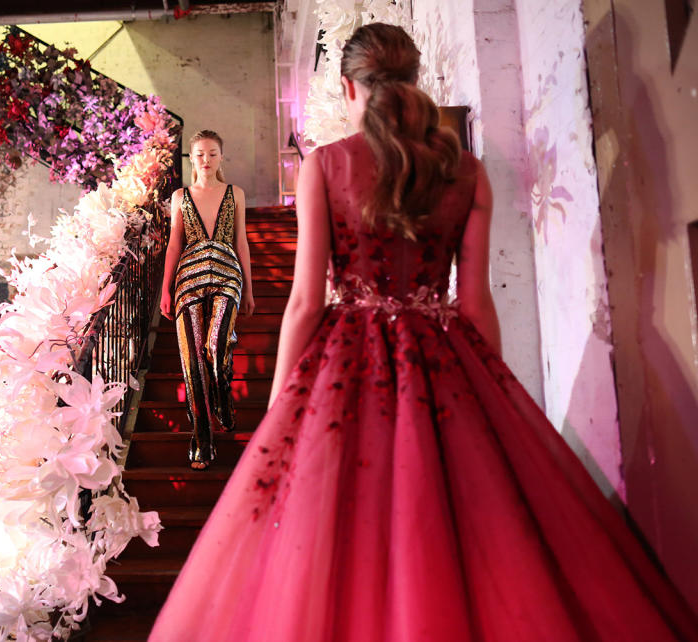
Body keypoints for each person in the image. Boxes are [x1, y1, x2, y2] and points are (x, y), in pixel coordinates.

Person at [149, 24, 698, 642]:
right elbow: (478, 305)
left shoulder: (326, 165)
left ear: (348, 89)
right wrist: (494, 396)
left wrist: (280, 403)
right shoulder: (464, 170)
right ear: (414, 82)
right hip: (444, 358)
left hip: (343, 366)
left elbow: (304, 301)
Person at [158, 130, 255, 470]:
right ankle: (203, 441)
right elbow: (173, 244)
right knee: (192, 360)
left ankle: (223, 399)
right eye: (200, 154)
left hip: (228, 274)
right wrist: (165, 289)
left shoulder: (235, 193)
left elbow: (241, 242)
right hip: (188, 278)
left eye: (213, 153)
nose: (206, 160)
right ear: (192, 158)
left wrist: (251, 289)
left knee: (215, 345)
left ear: (221, 157)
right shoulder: (179, 196)